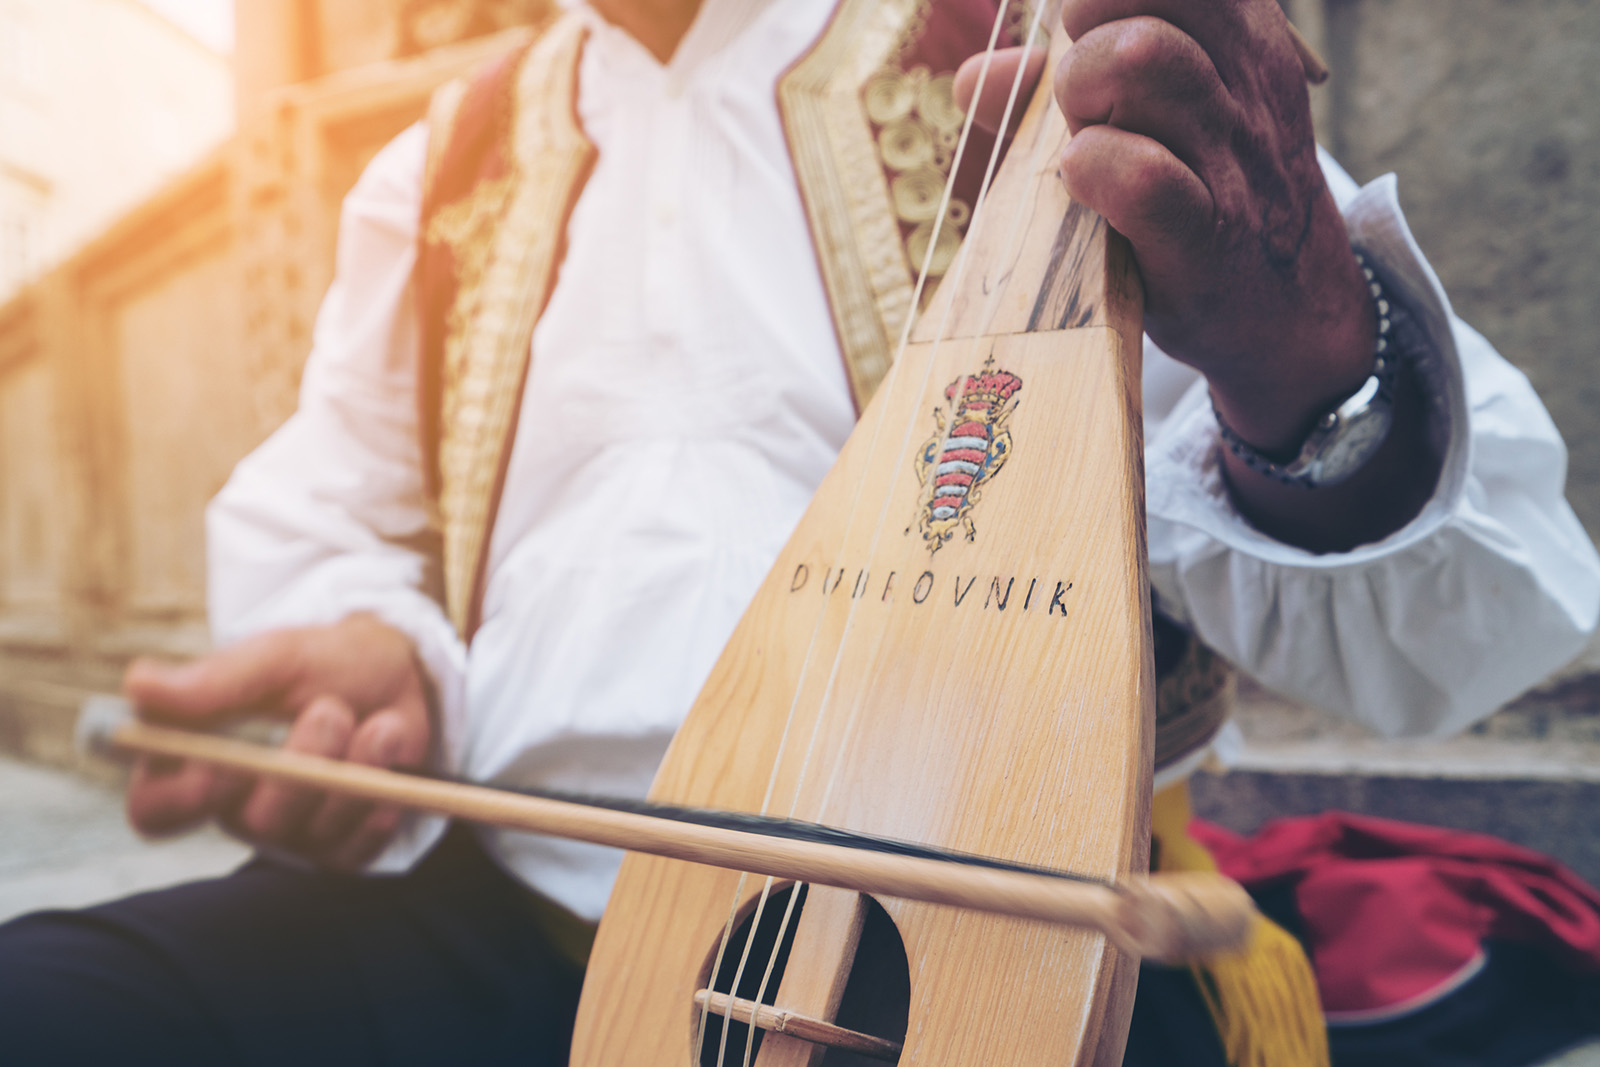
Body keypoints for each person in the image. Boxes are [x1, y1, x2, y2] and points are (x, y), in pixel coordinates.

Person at [2, 0, 1596, 1063]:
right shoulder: (447, 158)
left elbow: (1481, 621)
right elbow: (337, 508)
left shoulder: (1035, 53)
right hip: (506, 916)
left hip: (993, 958)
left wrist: (1305, 359)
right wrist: (377, 643)